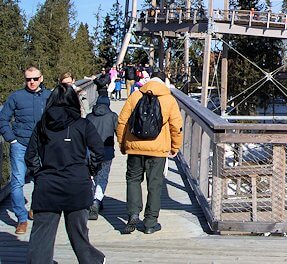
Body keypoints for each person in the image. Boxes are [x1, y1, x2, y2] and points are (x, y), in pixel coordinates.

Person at [24, 83, 105, 264]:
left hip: (48, 185)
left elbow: (30, 155)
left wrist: (39, 174)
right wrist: (90, 171)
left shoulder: (42, 125)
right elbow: (99, 151)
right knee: (78, 233)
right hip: (77, 184)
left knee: (42, 235)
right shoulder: (82, 124)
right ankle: (93, 261)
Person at [116, 72, 183, 234]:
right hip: (158, 149)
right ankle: (150, 223)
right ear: (164, 82)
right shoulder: (169, 99)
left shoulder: (135, 96)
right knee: (155, 184)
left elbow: (122, 121)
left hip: (134, 146)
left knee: (133, 180)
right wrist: (175, 147)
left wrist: (122, 143)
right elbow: (176, 127)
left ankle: (133, 214)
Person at [0, 66, 52, 235]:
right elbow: (3, 118)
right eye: (28, 79)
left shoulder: (48, 96)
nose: (31, 82)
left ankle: (35, 208)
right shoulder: (16, 97)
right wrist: (11, 139)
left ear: (41, 78)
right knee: (17, 181)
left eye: (35, 79)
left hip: (42, 145)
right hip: (20, 144)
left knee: (41, 179)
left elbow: (57, 118)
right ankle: (21, 219)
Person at [86, 91, 118, 220]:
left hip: (90, 152)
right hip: (107, 151)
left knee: (91, 176)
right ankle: (97, 200)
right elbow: (118, 132)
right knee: (102, 177)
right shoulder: (112, 116)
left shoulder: (89, 117)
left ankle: (94, 198)